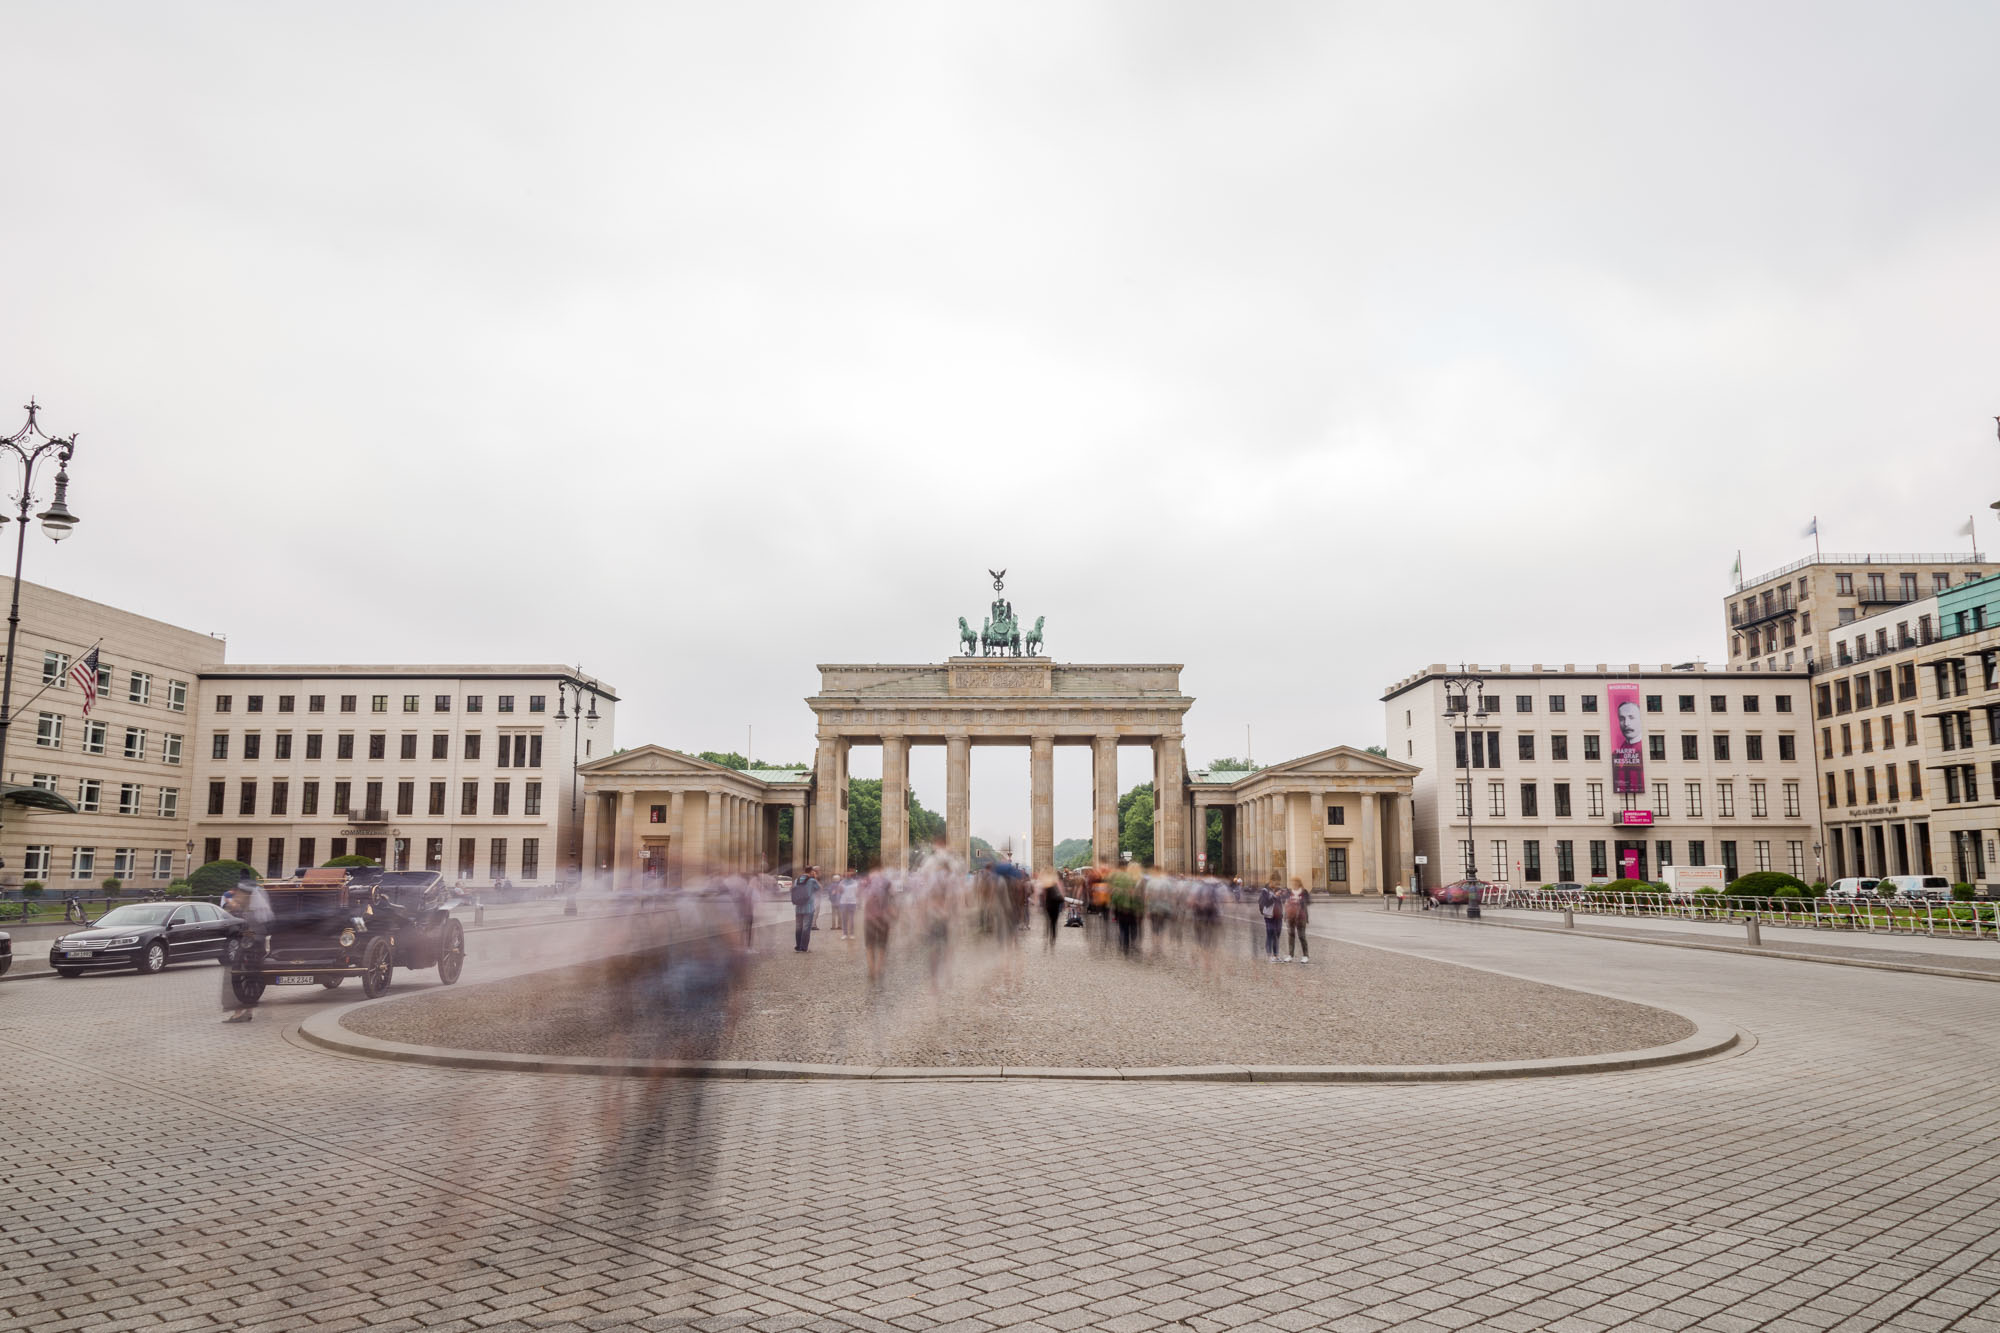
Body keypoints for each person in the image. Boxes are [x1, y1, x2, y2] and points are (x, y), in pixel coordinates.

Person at [219, 880, 272, 1022]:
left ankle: (240, 1012)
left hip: (250, 948)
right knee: (248, 981)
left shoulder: (252, 911)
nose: (237, 895)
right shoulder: (247, 909)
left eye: (240, 893)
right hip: (250, 947)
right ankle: (246, 1011)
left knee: (241, 980)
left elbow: (252, 930)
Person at [861, 875, 894, 985]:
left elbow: (864, 906)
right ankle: (879, 969)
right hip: (883, 921)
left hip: (869, 921)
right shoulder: (888, 896)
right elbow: (891, 909)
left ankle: (871, 969)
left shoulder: (868, 893)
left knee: (870, 946)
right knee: (882, 946)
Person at [790, 866, 820, 952]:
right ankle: (804, 948)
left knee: (798, 927)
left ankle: (798, 946)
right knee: (806, 928)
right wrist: (815, 877)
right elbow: (819, 889)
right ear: (811, 871)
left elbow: (793, 890)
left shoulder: (797, 880)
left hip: (798, 907)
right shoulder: (812, 880)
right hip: (809, 907)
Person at [1284, 879, 1310, 963]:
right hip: (1290, 917)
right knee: (1291, 936)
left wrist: (1300, 901)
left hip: (1301, 917)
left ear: (1299, 883)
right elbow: (1285, 903)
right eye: (1292, 883)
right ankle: (1290, 955)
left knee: (1301, 936)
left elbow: (1308, 902)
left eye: (1295, 882)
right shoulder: (1289, 892)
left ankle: (1305, 955)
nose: (1293, 884)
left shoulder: (1304, 892)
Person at [1258, 882, 1282, 961]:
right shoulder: (1265, 891)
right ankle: (1269, 955)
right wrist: (1275, 896)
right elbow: (1267, 903)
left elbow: (1280, 903)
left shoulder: (1276, 890)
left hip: (1277, 917)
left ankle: (1276, 955)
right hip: (1269, 916)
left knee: (1276, 936)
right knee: (1270, 935)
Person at [1039, 874, 1064, 949]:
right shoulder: (1057, 885)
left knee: (1047, 922)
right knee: (1054, 923)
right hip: (1056, 906)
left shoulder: (1046, 886)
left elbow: (1043, 896)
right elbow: (1062, 895)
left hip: (1048, 906)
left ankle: (1046, 937)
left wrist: (1042, 905)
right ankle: (1053, 938)